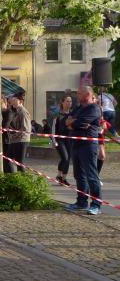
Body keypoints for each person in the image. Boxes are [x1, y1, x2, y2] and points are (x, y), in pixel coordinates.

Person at [65, 86, 102, 214]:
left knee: (91, 175)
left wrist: (73, 123)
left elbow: (79, 123)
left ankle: (96, 205)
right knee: (79, 175)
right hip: (76, 144)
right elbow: (67, 121)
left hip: (88, 145)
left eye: (79, 93)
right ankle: (81, 202)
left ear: (87, 94)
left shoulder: (94, 108)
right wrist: (73, 122)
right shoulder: (78, 108)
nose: (77, 95)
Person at [5, 93, 30, 172]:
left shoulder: (23, 112)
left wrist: (13, 135)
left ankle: (23, 178)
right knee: (7, 160)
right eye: (12, 100)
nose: (12, 101)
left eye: (14, 100)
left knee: (19, 162)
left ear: (20, 101)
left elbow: (25, 129)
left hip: (21, 140)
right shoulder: (15, 111)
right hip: (15, 140)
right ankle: (12, 177)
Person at [52, 94, 73, 185]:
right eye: (67, 101)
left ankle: (63, 178)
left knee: (67, 159)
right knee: (65, 157)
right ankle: (59, 175)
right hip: (59, 140)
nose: (69, 103)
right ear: (62, 102)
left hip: (70, 140)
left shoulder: (72, 114)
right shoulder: (57, 115)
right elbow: (53, 129)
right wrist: (53, 141)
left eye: (70, 101)